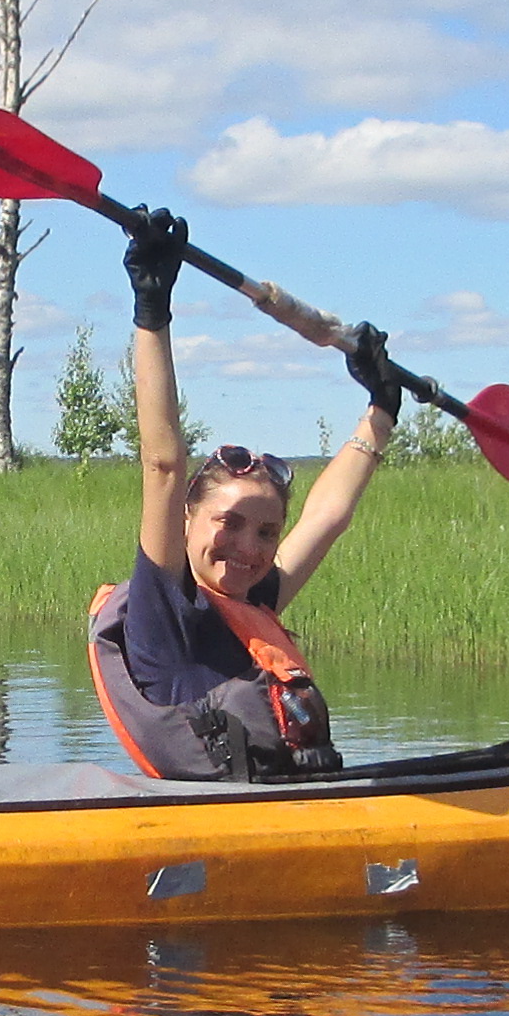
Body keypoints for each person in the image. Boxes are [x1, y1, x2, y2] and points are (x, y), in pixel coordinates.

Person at [90, 209, 399, 780]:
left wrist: (381, 410)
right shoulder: (164, 616)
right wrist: (152, 310)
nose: (247, 548)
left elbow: (328, 517)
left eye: (265, 531)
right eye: (228, 523)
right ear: (187, 519)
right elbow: (162, 463)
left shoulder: (252, 603)